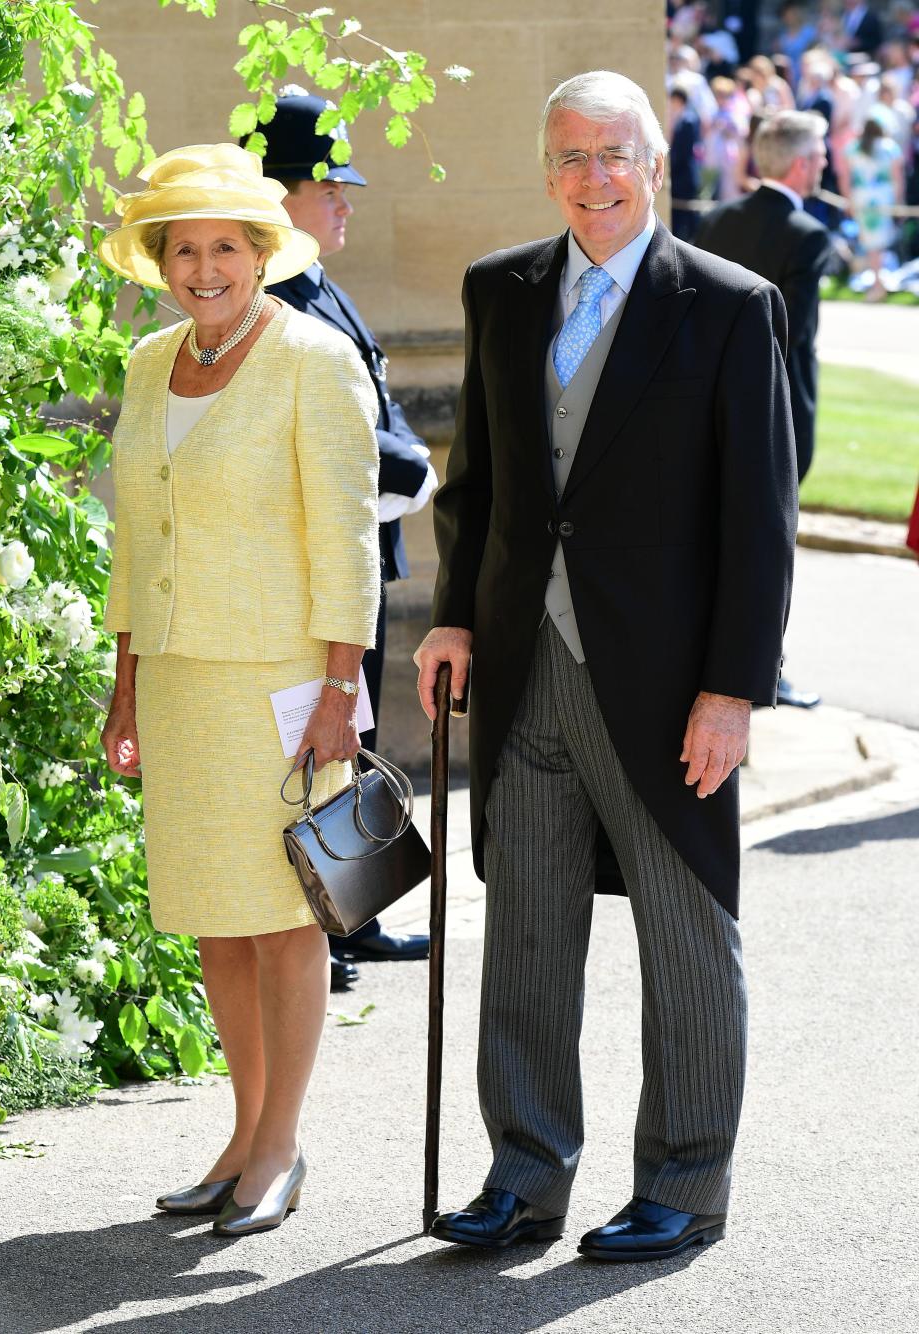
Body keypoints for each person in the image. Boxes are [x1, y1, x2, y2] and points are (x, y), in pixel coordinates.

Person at [415, 69, 797, 1261]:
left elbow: (760, 517)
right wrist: (454, 615)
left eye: (615, 154)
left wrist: (733, 688)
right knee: (526, 933)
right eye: (571, 157)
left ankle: (685, 1180)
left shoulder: (730, 304)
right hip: (527, 666)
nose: (594, 179)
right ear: (548, 169)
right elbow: (475, 484)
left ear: (656, 164)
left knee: (686, 940)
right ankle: (524, 1175)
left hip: (670, 688)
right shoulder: (500, 290)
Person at [98, 143, 381, 1236]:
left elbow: (348, 541)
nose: (204, 267)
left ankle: (280, 1145)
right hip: (176, 679)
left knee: (283, 917)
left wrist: (336, 691)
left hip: (282, 679)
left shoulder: (313, 358)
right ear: (161, 262)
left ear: (262, 253)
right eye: (185, 249)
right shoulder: (150, 359)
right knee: (217, 920)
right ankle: (241, 1128)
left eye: (225, 246)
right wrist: (126, 680)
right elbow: (136, 533)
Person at [249, 88, 435, 976]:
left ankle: (350, 915)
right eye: (331, 188)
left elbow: (375, 400)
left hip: (365, 552)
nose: (346, 201)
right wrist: (406, 468)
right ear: (282, 193)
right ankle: (311, 930)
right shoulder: (272, 297)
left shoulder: (318, 282)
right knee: (315, 744)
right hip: (316, 567)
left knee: (353, 738)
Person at [695, 111, 831, 709]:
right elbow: (792, 334)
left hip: (707, 407)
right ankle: (763, 671)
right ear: (801, 163)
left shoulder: (718, 219)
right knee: (768, 546)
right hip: (778, 414)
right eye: (821, 154)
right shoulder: (807, 232)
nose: (826, 163)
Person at [836, 115, 906, 299]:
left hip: (862, 199)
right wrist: (898, 201)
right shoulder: (889, 147)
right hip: (883, 198)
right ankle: (878, 283)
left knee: (872, 244)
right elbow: (897, 178)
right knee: (877, 244)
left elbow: (845, 178)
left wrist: (848, 199)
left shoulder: (853, 148)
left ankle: (877, 283)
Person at [668, 85, 703, 241]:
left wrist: (671, 167)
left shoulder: (688, 120)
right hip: (678, 176)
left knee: (688, 218)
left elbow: (683, 152)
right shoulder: (677, 119)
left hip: (685, 176)